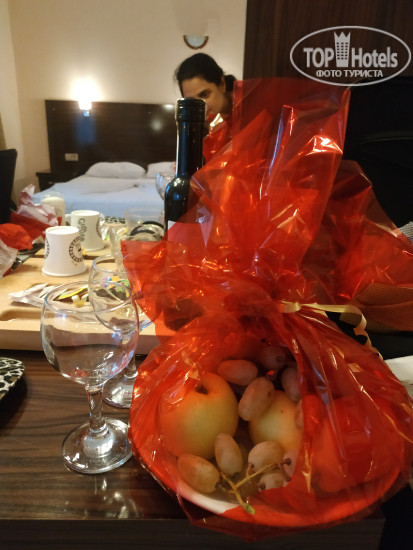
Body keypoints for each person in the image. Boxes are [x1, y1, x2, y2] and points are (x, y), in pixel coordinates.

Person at [174, 53, 236, 161]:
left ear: (222, 84)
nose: (201, 107)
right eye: (192, 101)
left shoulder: (251, 110)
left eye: (204, 95)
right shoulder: (205, 127)